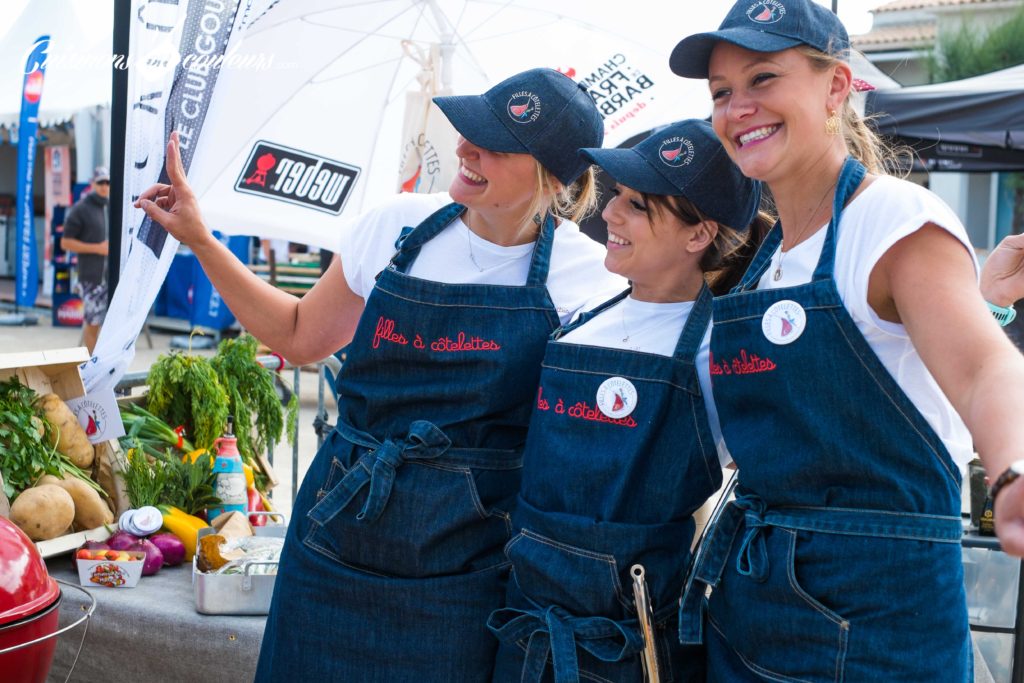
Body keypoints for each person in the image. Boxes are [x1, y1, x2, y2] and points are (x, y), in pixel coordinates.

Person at [136, 68, 624, 681]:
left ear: (551, 176)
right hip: (337, 531)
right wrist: (201, 239)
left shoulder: (589, 281)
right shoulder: (394, 227)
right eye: (469, 131)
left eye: (495, 145)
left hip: (465, 565)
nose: (466, 150)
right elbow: (296, 334)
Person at [668, 0, 1024, 680]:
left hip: (877, 624)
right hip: (749, 613)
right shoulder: (768, 259)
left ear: (836, 88)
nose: (737, 107)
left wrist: (1012, 469)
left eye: (763, 78)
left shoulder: (894, 217)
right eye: (721, 93)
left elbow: (984, 368)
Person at [487, 119, 766, 683]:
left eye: (637, 206)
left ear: (697, 236)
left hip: (634, 639)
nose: (609, 213)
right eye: (615, 195)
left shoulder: (723, 347)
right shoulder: (579, 318)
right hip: (528, 618)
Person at [61, 166, 110, 353]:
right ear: (92, 184)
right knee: (92, 323)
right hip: (91, 278)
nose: (104, 186)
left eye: (107, 182)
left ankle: (102, 363)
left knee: (109, 324)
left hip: (110, 277)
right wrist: (96, 248)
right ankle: (92, 365)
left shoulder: (110, 207)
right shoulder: (81, 209)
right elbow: (65, 243)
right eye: (101, 183)